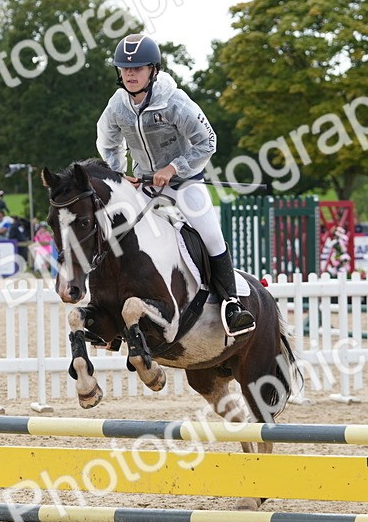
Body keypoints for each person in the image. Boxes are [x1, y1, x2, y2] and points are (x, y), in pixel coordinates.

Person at [96, 33, 255, 336]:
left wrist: (173, 167)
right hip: (143, 186)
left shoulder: (175, 102)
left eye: (138, 68)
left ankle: (233, 304)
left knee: (210, 233)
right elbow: (107, 141)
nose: (130, 74)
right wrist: (118, 174)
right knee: (115, 233)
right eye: (125, 68)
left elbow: (207, 142)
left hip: (185, 185)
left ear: (153, 70)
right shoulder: (117, 106)